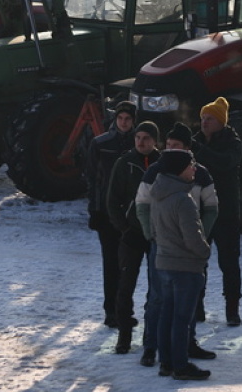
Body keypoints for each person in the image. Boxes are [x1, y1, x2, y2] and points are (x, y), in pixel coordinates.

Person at [136, 123, 218, 367]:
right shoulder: (155, 173)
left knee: (187, 301)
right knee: (159, 299)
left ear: (187, 149)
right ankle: (151, 347)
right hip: (164, 246)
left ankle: (186, 344)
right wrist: (153, 235)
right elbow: (142, 206)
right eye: (168, 145)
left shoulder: (199, 175)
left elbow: (211, 208)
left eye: (176, 146)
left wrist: (200, 236)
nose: (169, 150)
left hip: (189, 249)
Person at [149, 149, 213, 381]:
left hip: (164, 263)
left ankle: (166, 362)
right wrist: (205, 252)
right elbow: (193, 238)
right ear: (179, 169)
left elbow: (154, 231)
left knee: (167, 315)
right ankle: (181, 365)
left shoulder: (158, 195)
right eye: (191, 165)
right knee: (182, 320)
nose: (194, 169)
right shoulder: (182, 200)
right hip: (185, 267)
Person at [107, 121, 161, 354]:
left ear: (155, 141)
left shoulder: (164, 164)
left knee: (157, 289)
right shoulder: (124, 163)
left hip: (158, 236)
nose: (141, 142)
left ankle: (152, 336)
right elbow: (112, 200)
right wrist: (124, 227)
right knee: (125, 287)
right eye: (138, 137)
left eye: (146, 138)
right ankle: (124, 336)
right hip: (132, 234)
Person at [191, 97, 242, 326]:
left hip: (226, 212)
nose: (204, 122)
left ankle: (232, 310)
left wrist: (199, 151)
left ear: (221, 122)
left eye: (210, 118)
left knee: (229, 263)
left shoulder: (233, 143)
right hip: (201, 211)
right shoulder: (195, 142)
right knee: (197, 262)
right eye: (203, 118)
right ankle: (197, 307)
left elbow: (225, 162)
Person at [86, 101, 137, 328]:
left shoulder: (141, 145)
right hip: (107, 214)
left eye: (128, 119)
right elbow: (93, 181)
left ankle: (124, 310)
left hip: (132, 215)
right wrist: (95, 210)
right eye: (120, 119)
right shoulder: (101, 144)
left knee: (129, 265)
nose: (124, 123)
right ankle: (111, 311)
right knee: (111, 263)